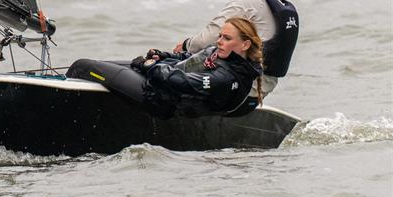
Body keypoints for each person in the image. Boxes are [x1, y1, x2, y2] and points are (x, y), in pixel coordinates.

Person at [173, 0, 298, 110]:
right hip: (259, 92)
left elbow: (207, 39)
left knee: (184, 61)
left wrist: (184, 46)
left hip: (239, 90)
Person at [67, 18, 264, 119]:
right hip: (158, 80)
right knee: (100, 64)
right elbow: (188, 59)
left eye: (227, 38)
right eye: (220, 36)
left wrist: (150, 66)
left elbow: (177, 81)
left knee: (81, 66)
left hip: (158, 97)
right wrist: (163, 56)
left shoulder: (226, 78)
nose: (220, 41)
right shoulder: (222, 53)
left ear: (245, 45)